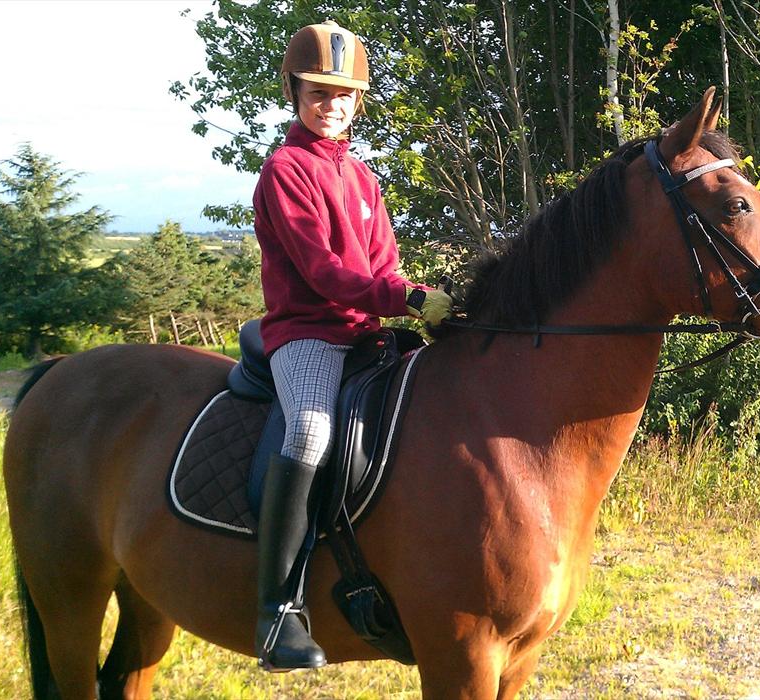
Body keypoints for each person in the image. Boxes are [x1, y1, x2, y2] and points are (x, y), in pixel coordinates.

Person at [251, 19, 452, 671]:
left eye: (343, 95)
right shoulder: (285, 170)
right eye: (318, 92)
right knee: (310, 431)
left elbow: (384, 267)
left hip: (364, 332)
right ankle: (279, 610)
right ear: (294, 92)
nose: (331, 105)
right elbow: (323, 272)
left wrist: (422, 297)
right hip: (307, 332)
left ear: (357, 101)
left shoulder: (363, 179)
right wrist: (406, 298)